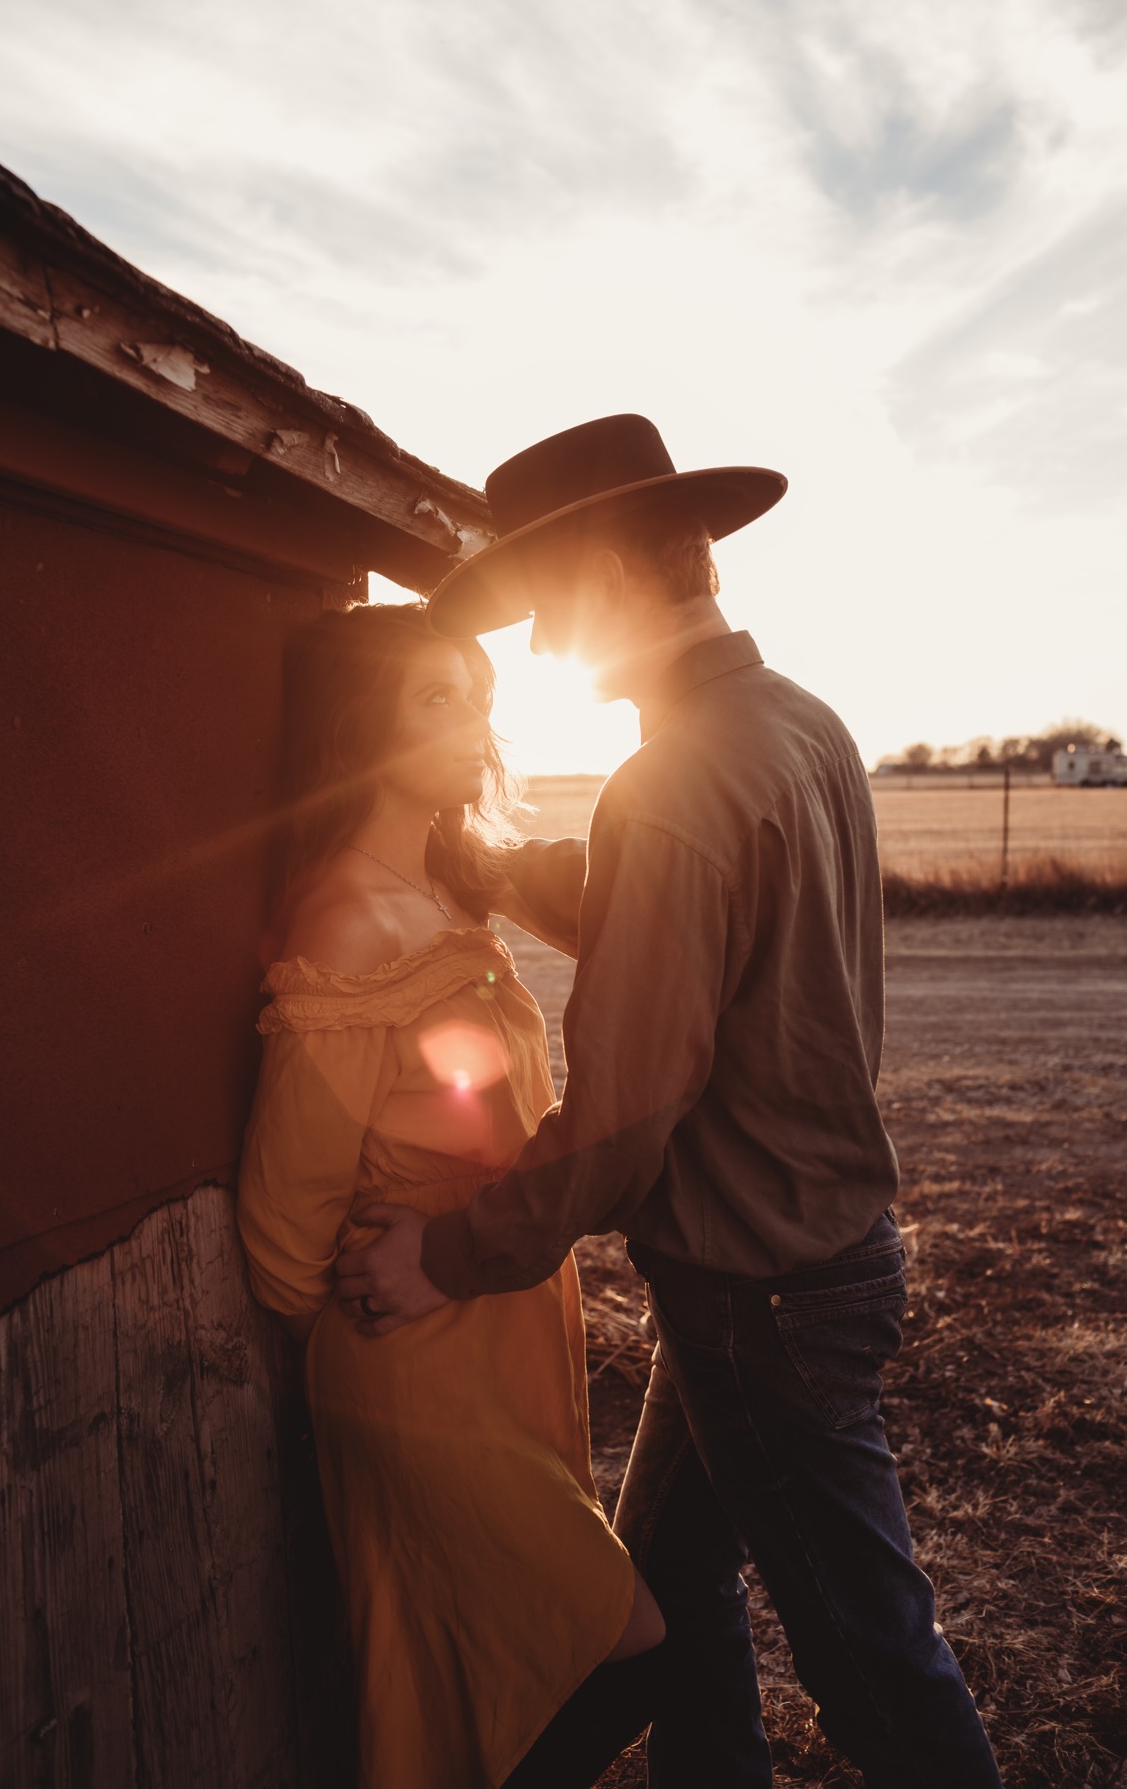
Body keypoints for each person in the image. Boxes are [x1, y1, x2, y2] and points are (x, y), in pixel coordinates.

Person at [336, 416, 1004, 1787]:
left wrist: (448, 1256)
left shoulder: (679, 777)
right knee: (679, 1586)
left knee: (874, 1661)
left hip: (761, 1295)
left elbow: (630, 1108)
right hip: (807, 1261)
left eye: (544, 610)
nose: (534, 654)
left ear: (616, 580)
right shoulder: (796, 722)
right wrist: (503, 864)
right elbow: (686, 926)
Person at [234, 599, 665, 1789]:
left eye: (477, 692)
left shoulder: (449, 892)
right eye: (436, 696)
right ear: (358, 725)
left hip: (505, 1335)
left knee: (476, 1686)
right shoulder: (343, 922)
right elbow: (280, 1237)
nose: (476, 719)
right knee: (621, 1648)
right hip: (412, 1366)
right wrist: (384, 1280)